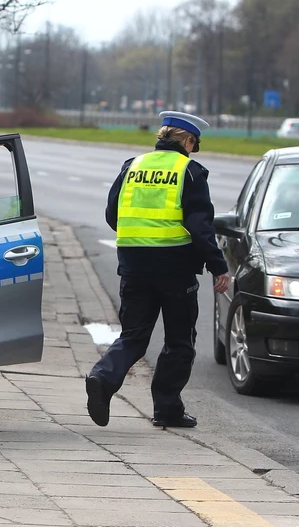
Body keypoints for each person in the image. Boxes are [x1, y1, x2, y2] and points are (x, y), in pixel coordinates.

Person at [85, 111, 230, 429]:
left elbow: (113, 214)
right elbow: (199, 226)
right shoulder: (190, 172)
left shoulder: (131, 166)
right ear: (188, 140)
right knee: (179, 341)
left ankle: (102, 378)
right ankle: (167, 409)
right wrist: (219, 267)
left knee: (134, 336)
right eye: (196, 144)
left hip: (134, 266)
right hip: (175, 269)